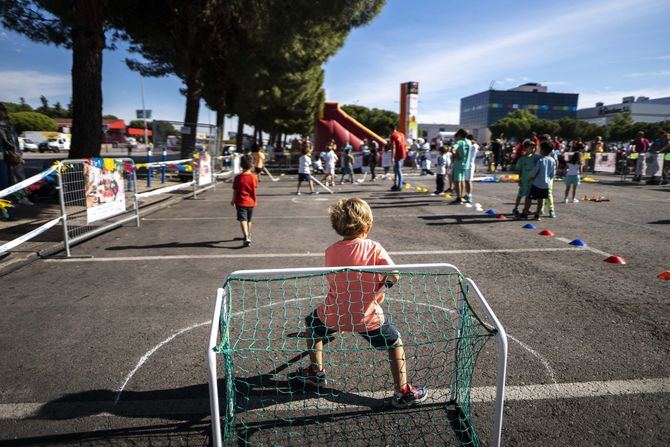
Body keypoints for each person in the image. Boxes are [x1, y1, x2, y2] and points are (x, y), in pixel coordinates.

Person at [288, 197, 428, 408]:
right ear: (368, 225)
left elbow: (336, 279)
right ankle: (403, 390)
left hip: (334, 313)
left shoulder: (330, 251)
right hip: (367, 315)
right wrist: (382, 287)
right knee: (395, 342)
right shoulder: (374, 248)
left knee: (313, 325)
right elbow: (394, 275)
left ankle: (316, 372)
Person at [0, 103, 33, 205]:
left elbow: (14, 142)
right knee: (5, 180)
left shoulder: (9, 125)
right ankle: (7, 201)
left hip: (12, 155)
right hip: (4, 156)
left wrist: (18, 155)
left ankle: (21, 198)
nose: (2, 113)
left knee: (18, 177)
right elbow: (7, 142)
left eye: (2, 110)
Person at [521, 140, 556, 220]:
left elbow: (535, 171)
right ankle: (537, 215)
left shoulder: (540, 160)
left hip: (537, 184)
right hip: (546, 184)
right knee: (541, 200)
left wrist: (530, 178)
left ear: (542, 150)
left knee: (529, 198)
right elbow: (552, 174)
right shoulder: (552, 160)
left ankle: (525, 213)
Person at [230, 154, 258, 247]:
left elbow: (235, 190)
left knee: (243, 219)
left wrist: (233, 200)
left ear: (241, 165)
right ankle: (248, 234)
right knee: (249, 220)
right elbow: (255, 187)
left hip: (241, 201)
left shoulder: (238, 178)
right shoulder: (254, 177)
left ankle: (246, 236)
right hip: (251, 201)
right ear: (252, 165)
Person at [512, 140, 539, 217]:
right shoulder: (522, 159)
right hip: (524, 180)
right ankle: (515, 208)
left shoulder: (536, 158)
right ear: (525, 149)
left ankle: (526, 209)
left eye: (534, 148)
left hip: (532, 181)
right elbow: (519, 170)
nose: (533, 149)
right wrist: (519, 179)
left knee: (529, 196)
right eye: (531, 148)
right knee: (520, 194)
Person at [449, 129, 471, 204]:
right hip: (466, 164)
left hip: (458, 163)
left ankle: (459, 198)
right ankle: (461, 196)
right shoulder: (469, 142)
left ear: (459, 135)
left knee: (457, 181)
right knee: (462, 180)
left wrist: (455, 155)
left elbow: (452, 148)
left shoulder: (459, 142)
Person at [389, 124, 406, 191]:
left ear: (391, 129)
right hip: (403, 153)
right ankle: (395, 184)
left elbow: (393, 147)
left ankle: (399, 186)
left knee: (398, 170)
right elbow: (404, 144)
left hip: (398, 154)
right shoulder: (401, 134)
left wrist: (392, 157)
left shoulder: (393, 135)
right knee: (396, 170)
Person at [464, 134, 479, 203]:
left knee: (469, 181)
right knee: (466, 181)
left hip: (470, 164)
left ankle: (469, 196)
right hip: (466, 164)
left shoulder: (474, 146)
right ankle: (467, 194)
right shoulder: (470, 145)